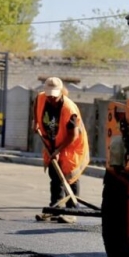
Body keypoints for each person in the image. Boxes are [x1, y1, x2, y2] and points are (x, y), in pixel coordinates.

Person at [33, 77, 90, 223]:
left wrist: (58, 151)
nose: (51, 98)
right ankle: (56, 208)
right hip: (52, 141)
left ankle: (72, 210)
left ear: (61, 92)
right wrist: (35, 122)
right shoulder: (41, 98)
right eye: (49, 95)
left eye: (54, 95)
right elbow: (36, 107)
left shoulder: (69, 109)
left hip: (71, 145)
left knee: (70, 175)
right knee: (54, 175)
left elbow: (73, 135)